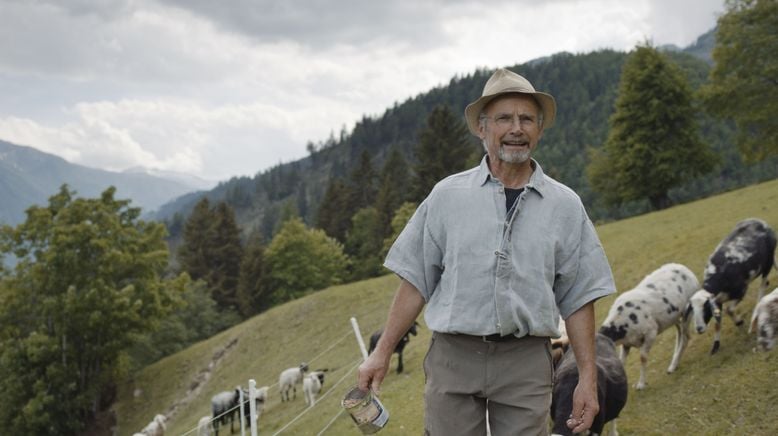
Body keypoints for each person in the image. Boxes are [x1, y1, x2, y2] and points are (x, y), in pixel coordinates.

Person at [357, 68, 616, 435]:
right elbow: (416, 281)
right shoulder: (447, 196)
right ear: (482, 129)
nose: (516, 128)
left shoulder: (565, 206)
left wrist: (587, 379)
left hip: (526, 362)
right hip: (454, 357)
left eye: (527, 119)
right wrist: (382, 351)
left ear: (539, 130)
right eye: (504, 118)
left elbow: (579, 296)